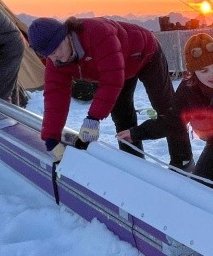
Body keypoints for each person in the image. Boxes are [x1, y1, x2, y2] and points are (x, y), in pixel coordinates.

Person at [121, 32, 213, 209]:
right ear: (193, 71)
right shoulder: (188, 89)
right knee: (197, 190)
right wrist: (136, 133)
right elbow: (172, 121)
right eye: (204, 70)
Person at [27, 16, 193, 167]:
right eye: (48, 55)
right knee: (122, 115)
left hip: (145, 54)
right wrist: (51, 137)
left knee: (167, 110)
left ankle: (183, 161)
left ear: (66, 35)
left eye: (56, 50)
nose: (55, 57)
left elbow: (111, 80)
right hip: (118, 67)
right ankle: (133, 163)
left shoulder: (97, 33)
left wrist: (93, 119)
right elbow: (55, 97)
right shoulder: (56, 62)